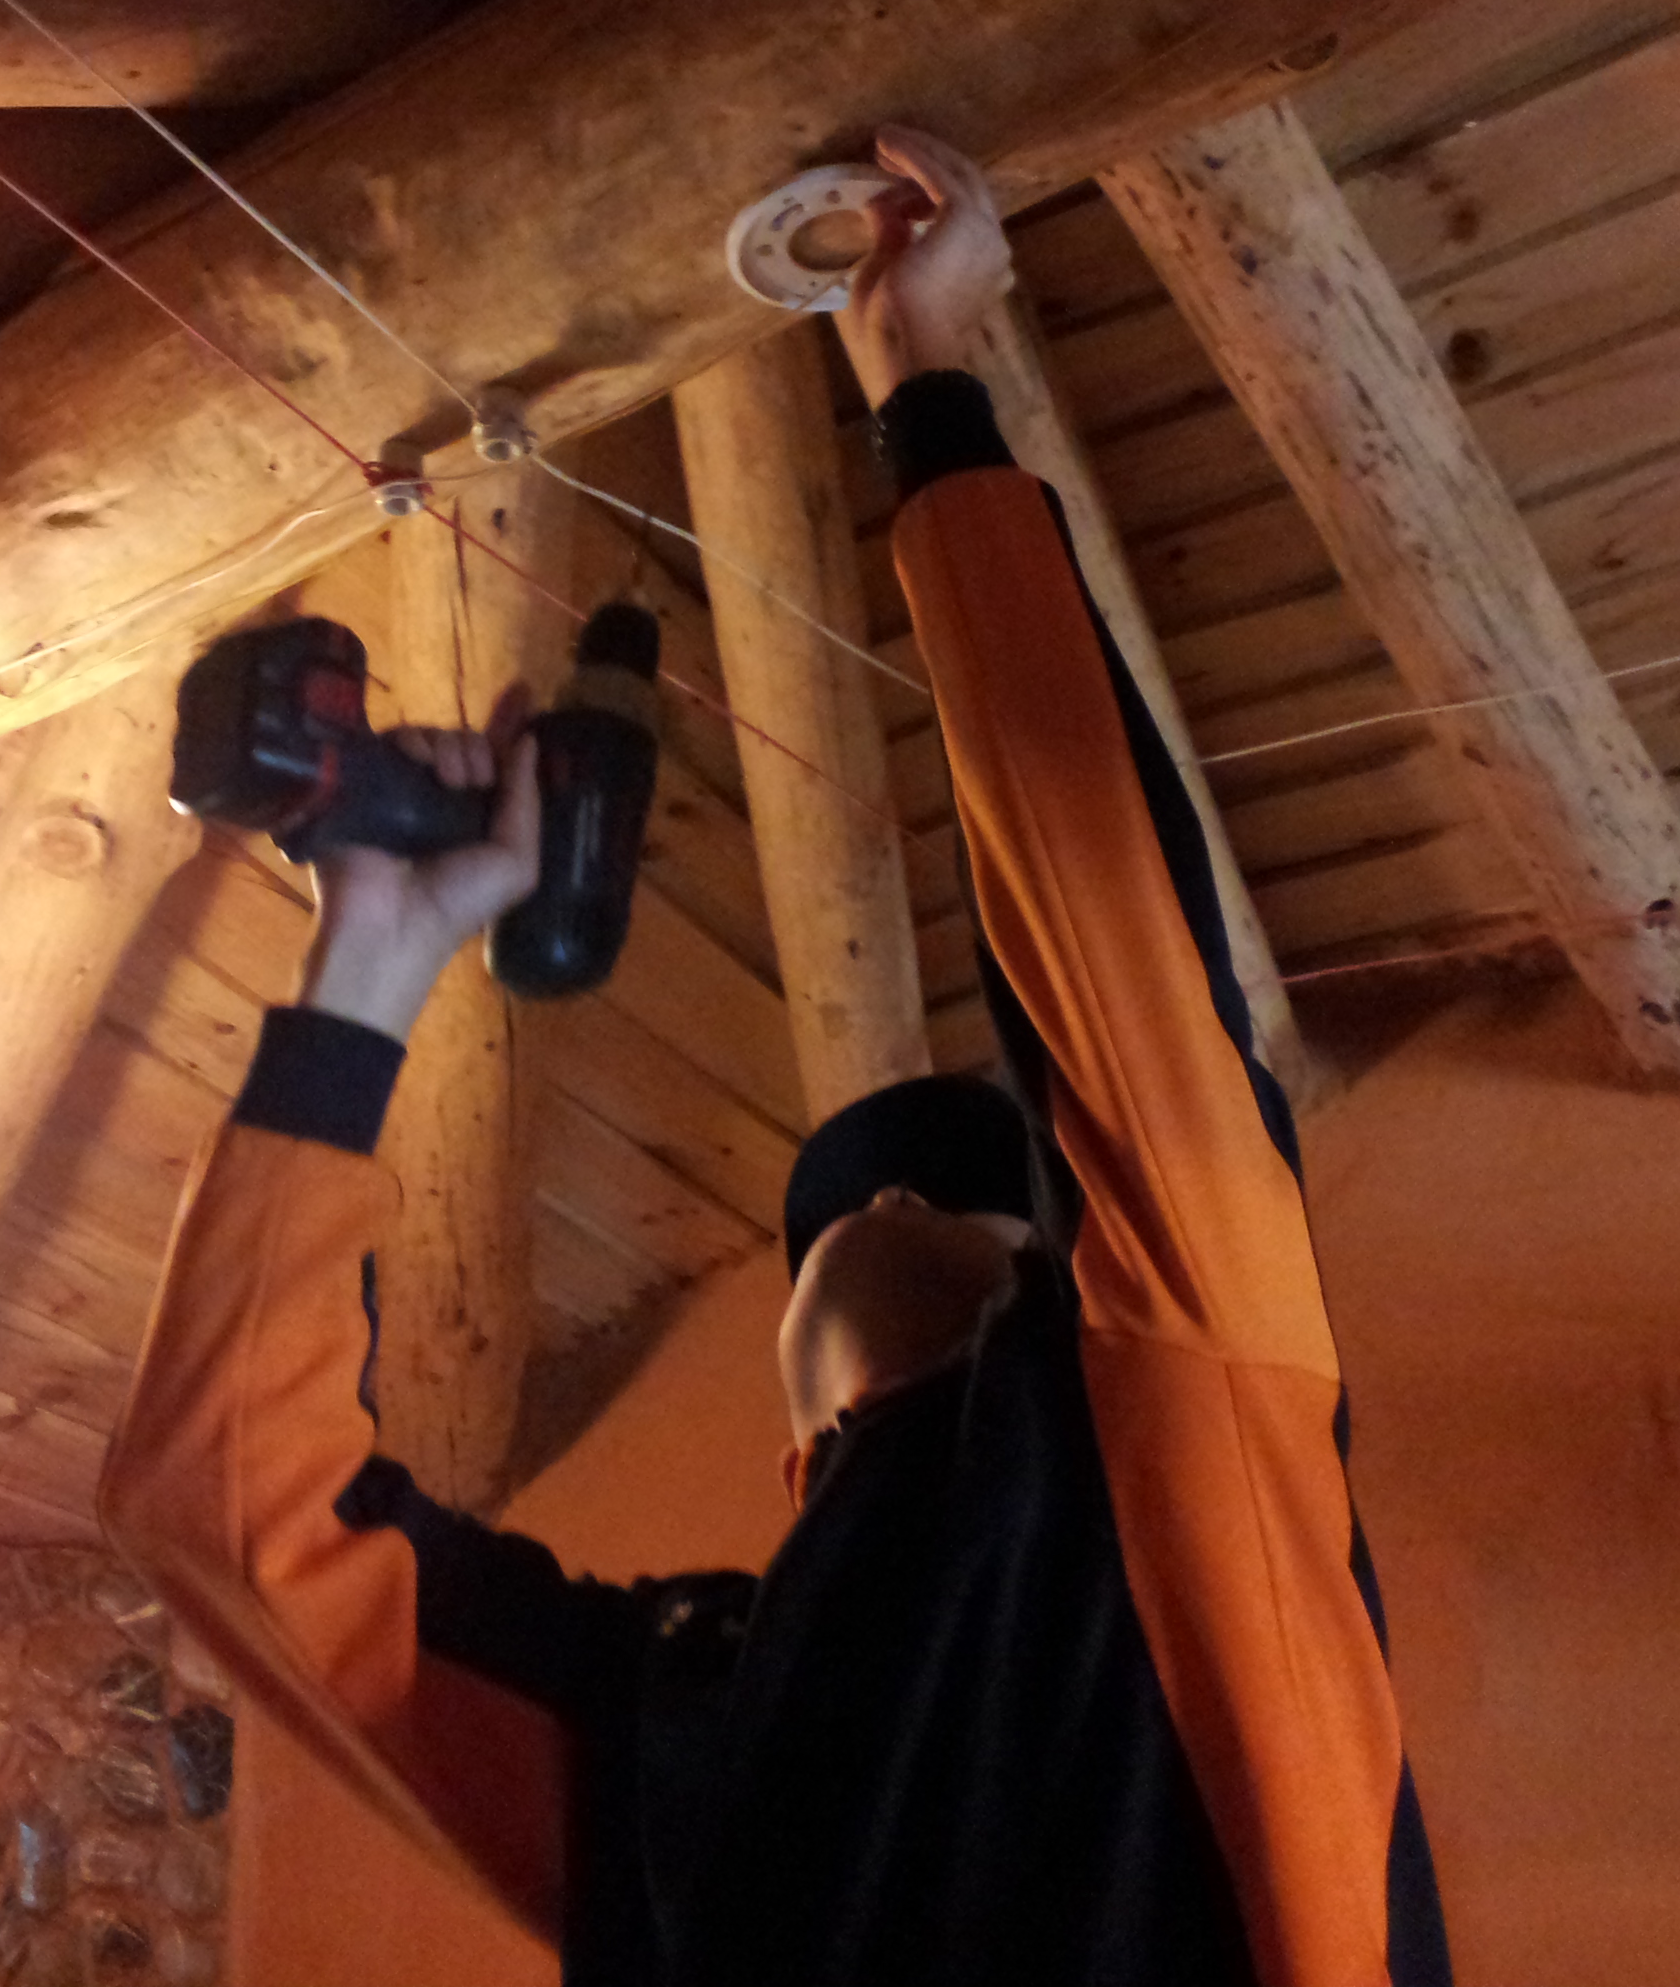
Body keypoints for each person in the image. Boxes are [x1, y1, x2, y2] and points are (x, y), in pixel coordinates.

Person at [102, 127, 1449, 1987]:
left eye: (923, 1203)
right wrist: (930, 384)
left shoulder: (1128, 1450)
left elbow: (218, 1520)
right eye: (900, 1196)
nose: (887, 1198)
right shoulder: (698, 1691)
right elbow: (1139, 1004)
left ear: (800, 1433)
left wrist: (367, 977)